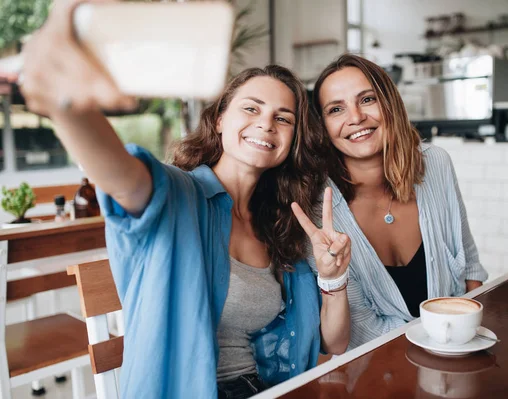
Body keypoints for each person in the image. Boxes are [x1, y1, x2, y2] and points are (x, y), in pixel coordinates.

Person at [11, 1, 351, 398]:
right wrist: (65, 106)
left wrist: (333, 279)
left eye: (283, 117)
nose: (266, 123)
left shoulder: (281, 223)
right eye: (251, 108)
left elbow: (335, 344)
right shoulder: (179, 197)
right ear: (220, 119)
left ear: (292, 138)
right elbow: (124, 181)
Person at [308, 54, 488, 350]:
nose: (355, 117)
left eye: (367, 99)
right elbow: (346, 338)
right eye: (336, 109)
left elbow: (469, 269)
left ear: (389, 102)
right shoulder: (318, 208)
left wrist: (471, 339)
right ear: (323, 126)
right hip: (376, 373)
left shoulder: (435, 164)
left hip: (457, 353)